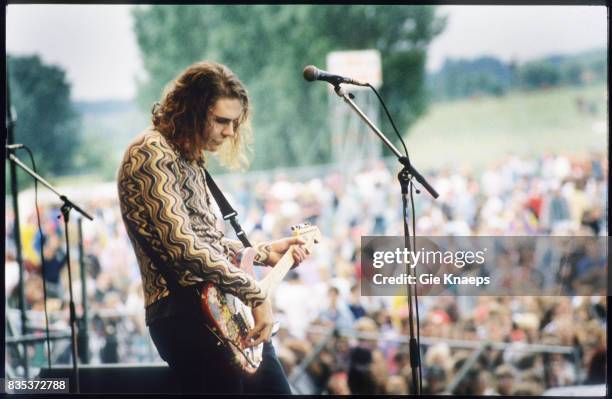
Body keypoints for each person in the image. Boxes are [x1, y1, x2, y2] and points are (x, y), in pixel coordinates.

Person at [117, 61, 309, 394]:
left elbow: (209, 241)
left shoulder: (189, 158)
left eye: (235, 123)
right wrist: (254, 292)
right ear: (191, 111)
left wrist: (263, 252)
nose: (230, 132)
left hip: (219, 311)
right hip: (184, 316)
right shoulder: (151, 153)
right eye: (221, 120)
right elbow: (183, 246)